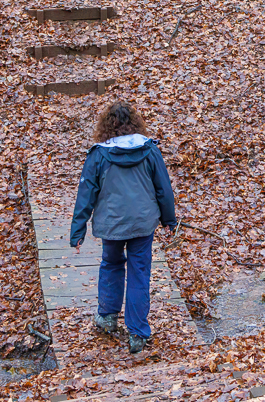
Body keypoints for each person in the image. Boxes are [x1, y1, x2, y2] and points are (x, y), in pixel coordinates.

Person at [70, 100, 177, 353]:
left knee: (111, 264)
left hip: (112, 223)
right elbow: (163, 188)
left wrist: (78, 230)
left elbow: (86, 192)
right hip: (142, 223)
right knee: (140, 272)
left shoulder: (99, 154)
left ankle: (108, 317)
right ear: (135, 123)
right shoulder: (149, 150)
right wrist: (168, 219)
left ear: (107, 125)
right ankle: (138, 333)